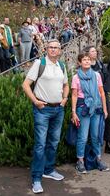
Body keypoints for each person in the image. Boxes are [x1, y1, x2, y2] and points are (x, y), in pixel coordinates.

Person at [22, 39, 69, 194]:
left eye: (56, 48)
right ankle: (36, 178)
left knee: (53, 142)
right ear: (46, 49)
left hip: (58, 110)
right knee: (40, 144)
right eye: (51, 47)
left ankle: (48, 170)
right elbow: (25, 84)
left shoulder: (61, 65)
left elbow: (66, 84)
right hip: (43, 110)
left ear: (60, 50)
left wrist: (65, 99)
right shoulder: (39, 63)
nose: (53, 50)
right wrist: (35, 101)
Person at [71, 53, 109, 173]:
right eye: (84, 60)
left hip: (96, 107)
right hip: (83, 108)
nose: (87, 61)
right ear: (79, 62)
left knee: (96, 135)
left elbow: (101, 92)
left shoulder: (97, 75)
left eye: (88, 59)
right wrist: (73, 112)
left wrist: (105, 109)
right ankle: (80, 161)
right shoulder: (76, 77)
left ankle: (98, 159)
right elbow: (74, 95)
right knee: (82, 136)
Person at [85, 46, 110, 156]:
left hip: (102, 95)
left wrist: (106, 90)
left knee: (107, 118)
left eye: (95, 51)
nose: (95, 52)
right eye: (92, 51)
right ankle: (91, 149)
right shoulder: (86, 64)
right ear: (87, 53)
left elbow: (107, 76)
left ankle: (108, 144)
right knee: (92, 122)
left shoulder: (99, 63)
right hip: (90, 98)